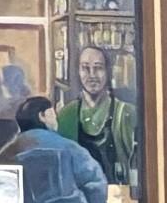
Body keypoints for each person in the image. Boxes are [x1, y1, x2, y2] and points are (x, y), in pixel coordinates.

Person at [60, 44, 140, 189]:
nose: (92, 75)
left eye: (98, 68)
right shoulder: (67, 114)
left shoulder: (127, 112)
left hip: (117, 198)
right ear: (78, 71)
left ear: (108, 72)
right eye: (85, 68)